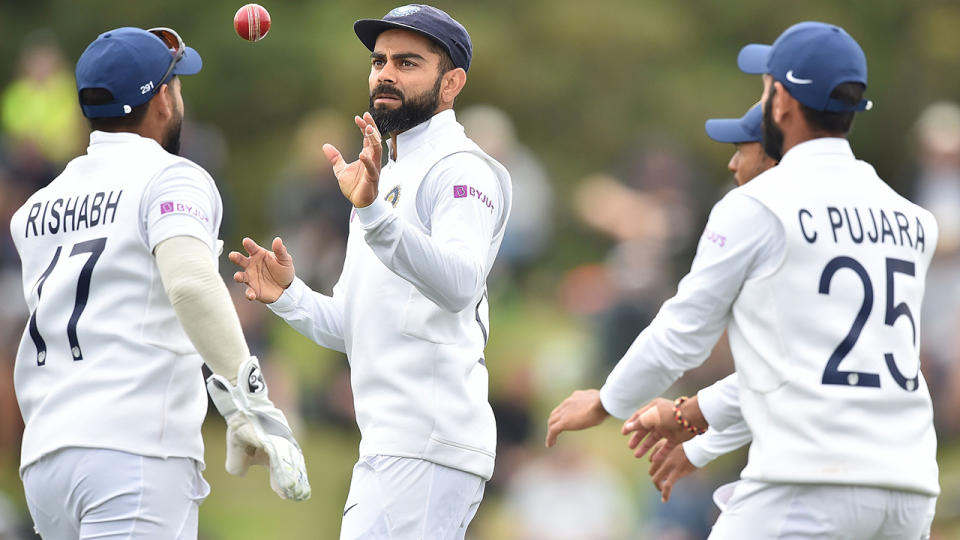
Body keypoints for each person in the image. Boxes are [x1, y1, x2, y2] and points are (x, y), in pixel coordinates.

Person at [546, 21, 939, 538]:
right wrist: (696, 424)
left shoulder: (758, 204)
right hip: (908, 488)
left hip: (806, 483)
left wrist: (604, 401)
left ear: (780, 100)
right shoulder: (914, 220)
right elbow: (807, 368)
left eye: (764, 85)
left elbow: (682, 334)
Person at [9, 27, 310, 540]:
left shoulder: (37, 206)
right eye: (177, 84)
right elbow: (192, 285)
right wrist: (251, 399)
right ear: (163, 101)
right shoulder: (172, 176)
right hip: (133, 450)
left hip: (44, 458)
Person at [230, 4, 512, 539]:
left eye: (408, 62)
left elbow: (459, 285)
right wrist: (289, 294)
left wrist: (374, 214)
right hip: (393, 444)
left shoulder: (461, 168)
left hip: (429, 443)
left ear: (451, 83)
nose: (385, 72)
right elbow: (358, 326)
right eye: (379, 60)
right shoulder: (381, 174)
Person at [649, 103, 775, 504]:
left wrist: (685, 413)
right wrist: (701, 444)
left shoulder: (759, 213)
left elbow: (778, 379)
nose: (731, 162)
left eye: (743, 149)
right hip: (901, 469)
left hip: (821, 475)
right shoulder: (902, 219)